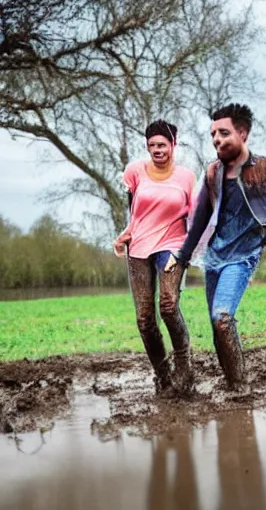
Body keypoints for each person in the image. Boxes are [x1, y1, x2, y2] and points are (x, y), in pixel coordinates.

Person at [165, 103, 266, 391]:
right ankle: (232, 385)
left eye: (224, 133)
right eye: (213, 135)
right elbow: (199, 223)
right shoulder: (212, 173)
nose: (217, 139)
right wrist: (181, 260)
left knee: (222, 318)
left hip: (244, 255)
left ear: (242, 133)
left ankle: (242, 389)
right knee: (217, 327)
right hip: (214, 258)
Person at [113, 120, 196, 395]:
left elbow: (194, 217)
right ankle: (163, 375)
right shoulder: (135, 171)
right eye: (151, 146)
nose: (156, 150)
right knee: (144, 319)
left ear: (173, 144)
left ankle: (184, 365)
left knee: (169, 306)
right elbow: (133, 210)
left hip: (173, 244)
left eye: (161, 145)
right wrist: (126, 233)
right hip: (138, 249)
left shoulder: (186, 177)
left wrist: (192, 250)